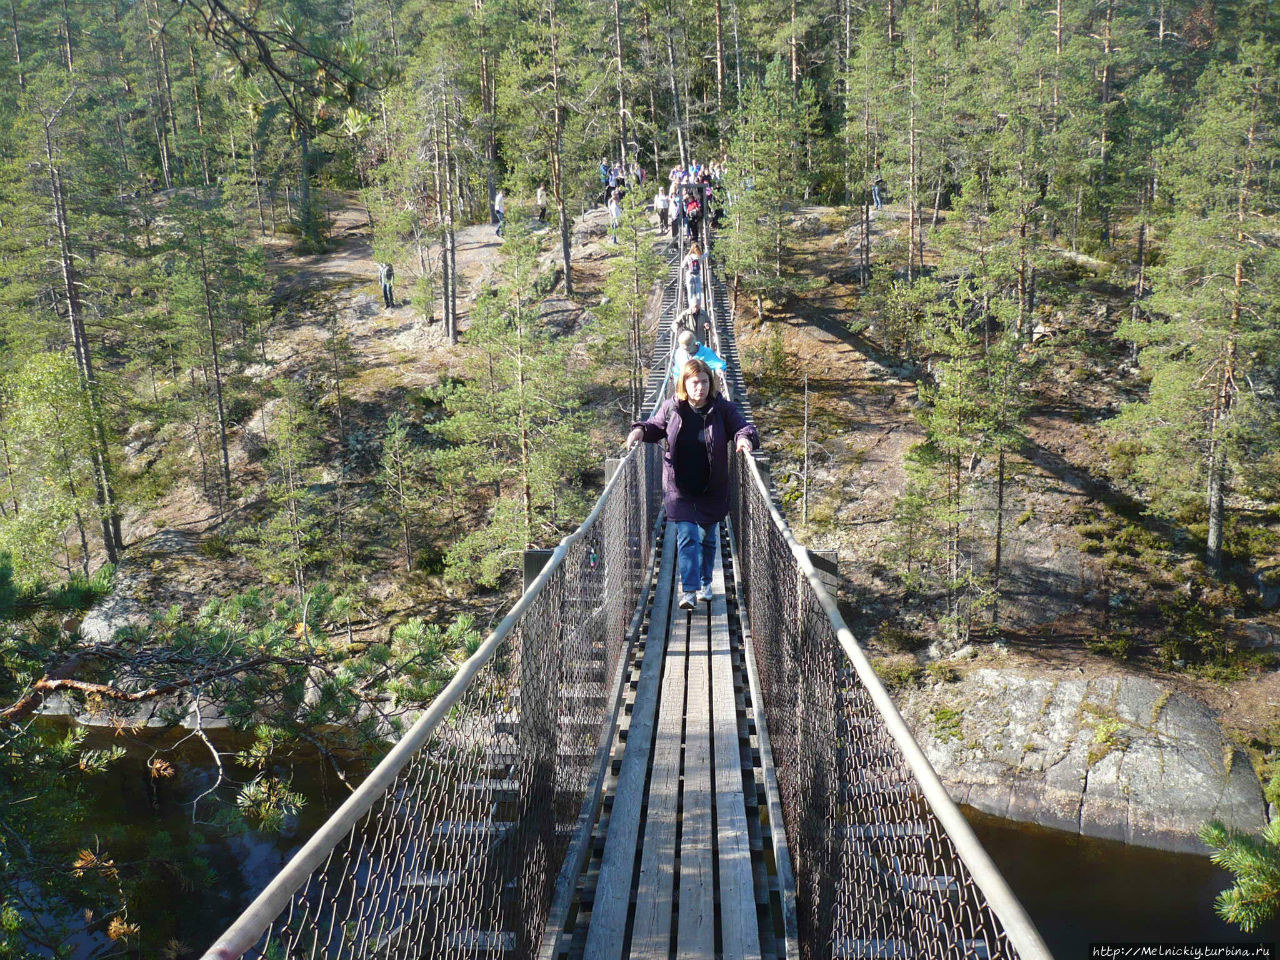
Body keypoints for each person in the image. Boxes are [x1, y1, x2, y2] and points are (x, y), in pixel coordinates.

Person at [627, 358, 759, 609]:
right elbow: (655, 426)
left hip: (712, 487)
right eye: (694, 382)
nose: (700, 387)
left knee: (708, 539)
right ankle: (688, 591)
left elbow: (743, 427)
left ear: (712, 383)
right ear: (684, 384)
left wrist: (744, 440)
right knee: (687, 535)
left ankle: (705, 581)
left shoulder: (723, 409)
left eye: (705, 382)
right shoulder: (672, 408)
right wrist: (639, 431)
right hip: (680, 487)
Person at [683, 242, 703, 312]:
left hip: (689, 275)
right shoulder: (699, 256)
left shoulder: (688, 256)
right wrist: (706, 246)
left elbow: (682, 266)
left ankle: (691, 307)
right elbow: (707, 254)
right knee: (698, 292)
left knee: (690, 293)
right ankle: (698, 306)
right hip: (697, 275)